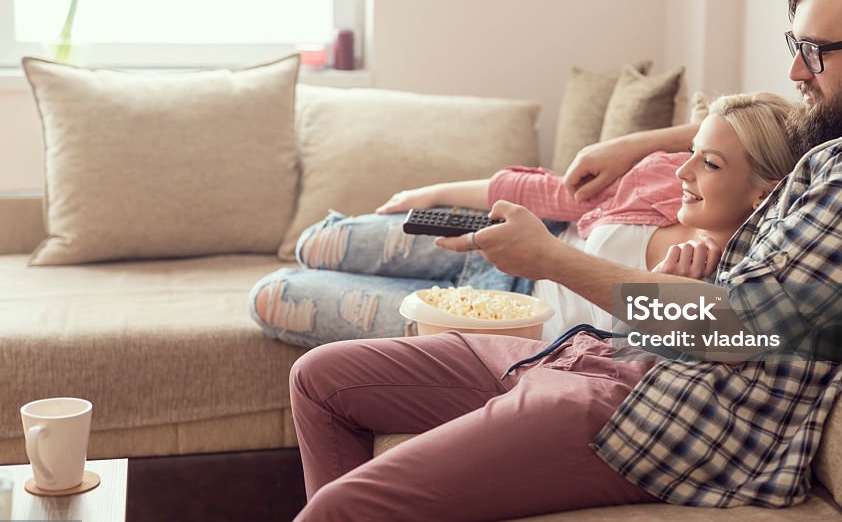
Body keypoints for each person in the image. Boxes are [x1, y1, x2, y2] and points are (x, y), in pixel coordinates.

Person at [277, 0, 842, 522]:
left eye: (814, 52)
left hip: (673, 416)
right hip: (621, 358)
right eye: (793, 47)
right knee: (325, 380)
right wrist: (635, 144)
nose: (798, 72)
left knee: (339, 517)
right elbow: (754, 122)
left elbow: (733, 329)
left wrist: (550, 259)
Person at [250, 93, 798, 345]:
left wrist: (672, 290)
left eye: (709, 163)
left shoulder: (729, 277)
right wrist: (433, 191)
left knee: (274, 295)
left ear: (762, 192)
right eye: (692, 152)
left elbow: (640, 359)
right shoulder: (661, 176)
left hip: (504, 323)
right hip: (501, 245)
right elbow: (555, 195)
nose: (685, 172)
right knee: (321, 241)